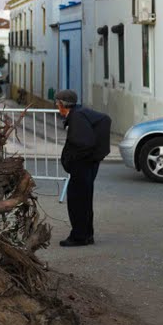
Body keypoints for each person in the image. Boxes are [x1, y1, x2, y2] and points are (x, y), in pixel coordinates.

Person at [55, 89, 111, 247]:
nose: (57, 106)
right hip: (88, 163)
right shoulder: (80, 112)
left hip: (83, 165)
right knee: (84, 200)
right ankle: (86, 235)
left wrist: (72, 160)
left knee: (77, 201)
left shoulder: (77, 117)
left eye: (57, 103)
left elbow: (84, 143)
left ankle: (79, 236)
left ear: (61, 104)